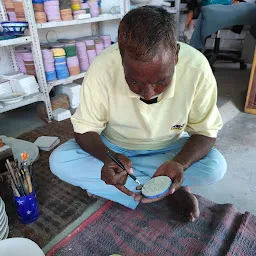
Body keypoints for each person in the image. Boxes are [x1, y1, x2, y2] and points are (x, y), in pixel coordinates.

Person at [50, 6, 227, 222]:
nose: (148, 93)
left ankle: (150, 183)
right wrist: (109, 159)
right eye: (133, 81)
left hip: (169, 149)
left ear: (176, 55)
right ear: (121, 58)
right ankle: (165, 188)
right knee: (59, 161)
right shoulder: (103, 68)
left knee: (215, 167)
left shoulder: (197, 69)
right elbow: (85, 129)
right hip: (115, 148)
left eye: (160, 80)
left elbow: (206, 132)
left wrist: (180, 163)